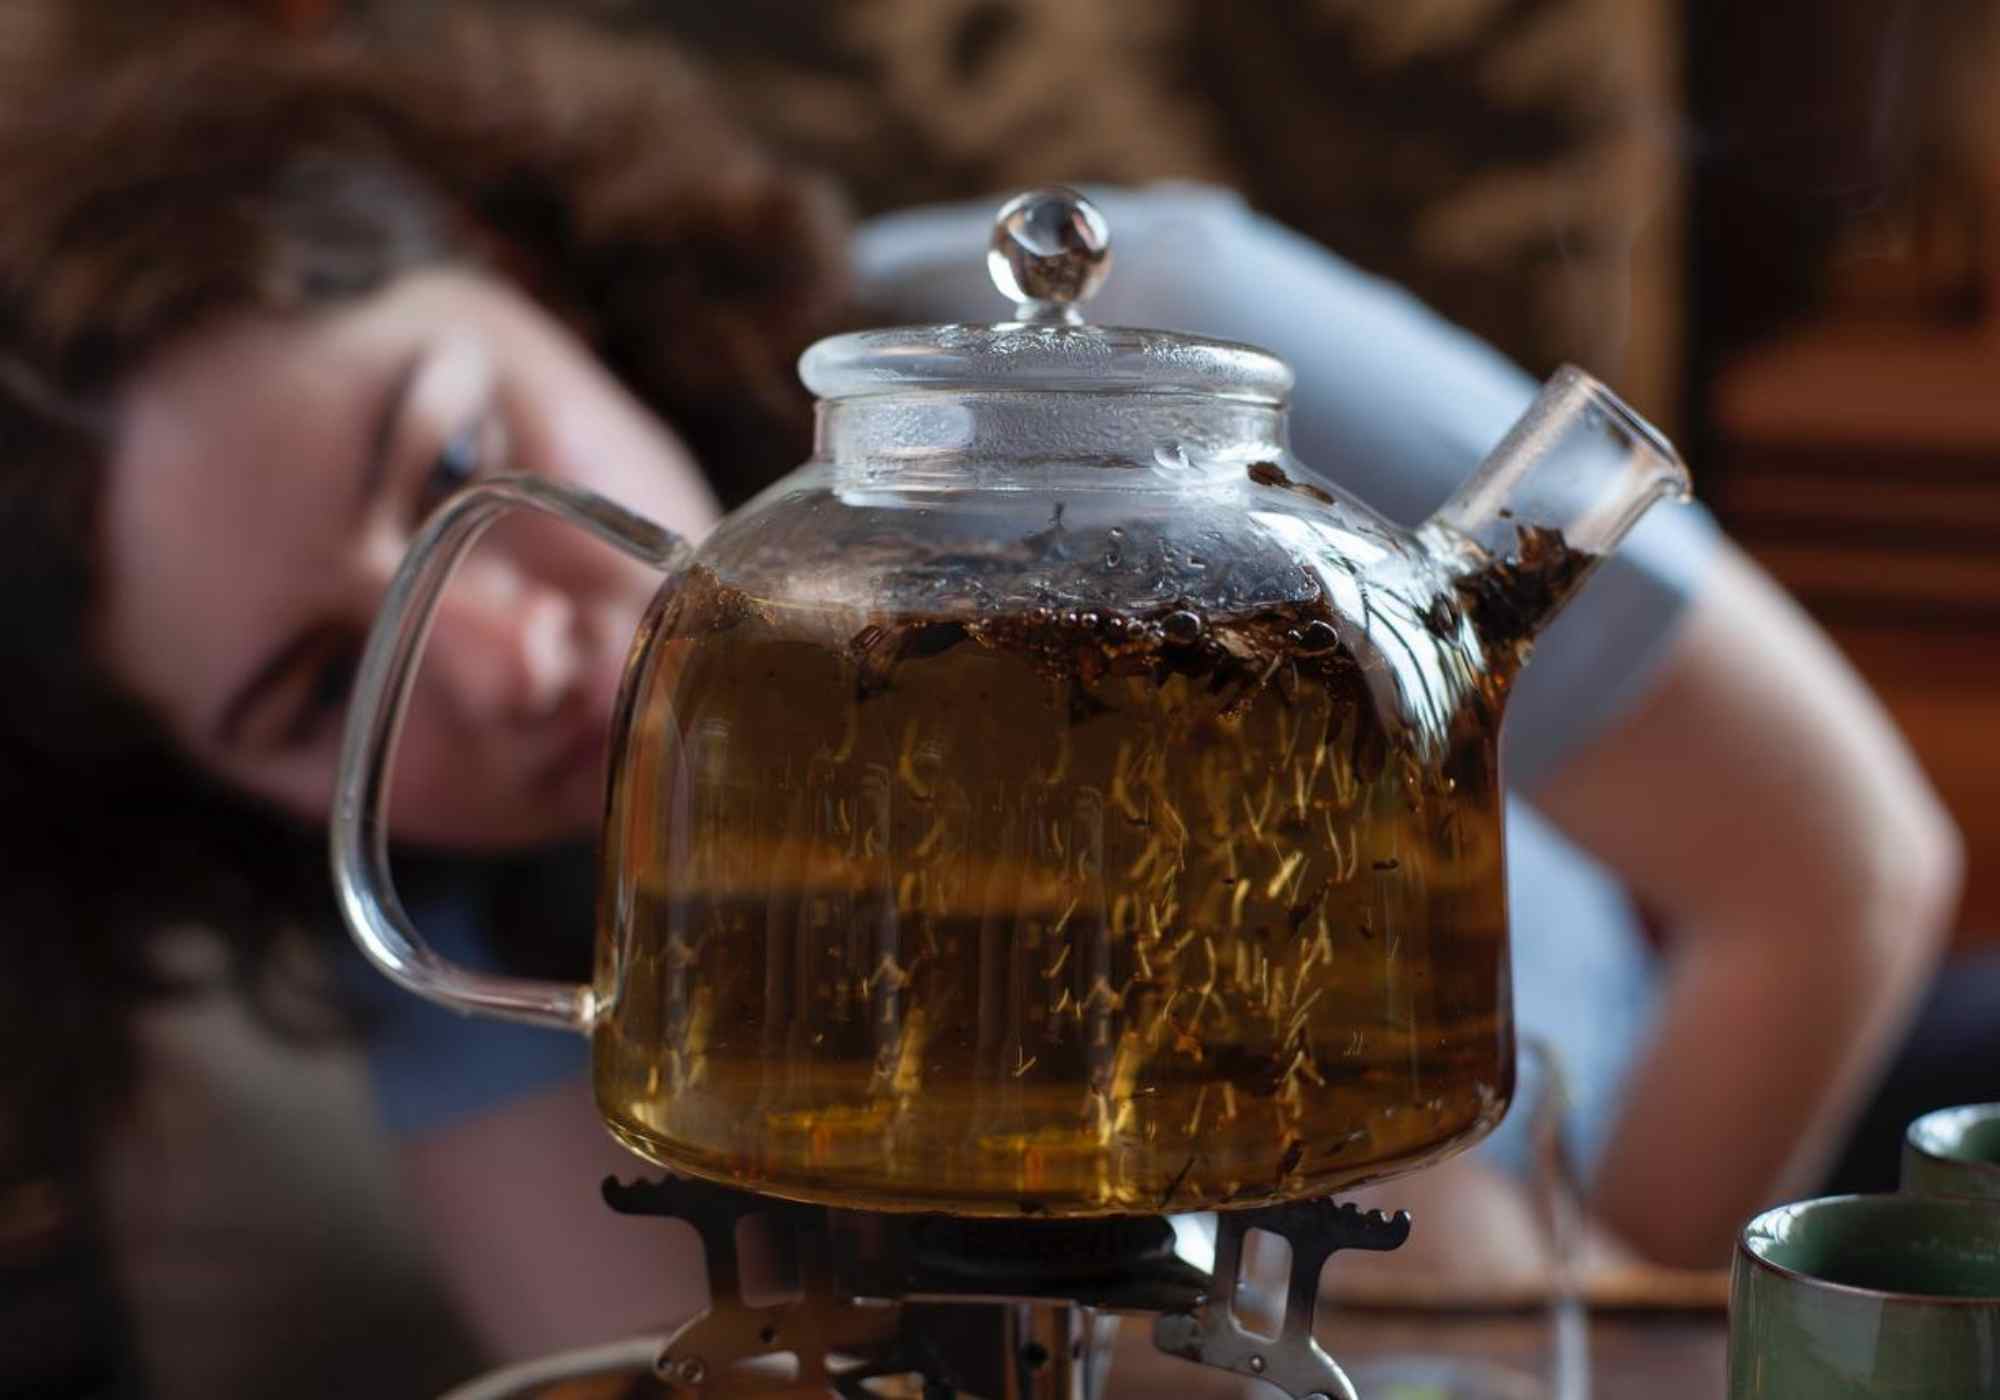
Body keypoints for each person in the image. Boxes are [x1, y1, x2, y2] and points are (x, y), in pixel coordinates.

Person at [0, 1, 1962, 1395]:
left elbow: (1833, 866)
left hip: (1722, 1146)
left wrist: (1559, 1333)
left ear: (519, 264)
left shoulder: (1198, 343)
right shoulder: (497, 893)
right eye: (320, 686)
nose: (503, 657)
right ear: (236, 795)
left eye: (445, 467)